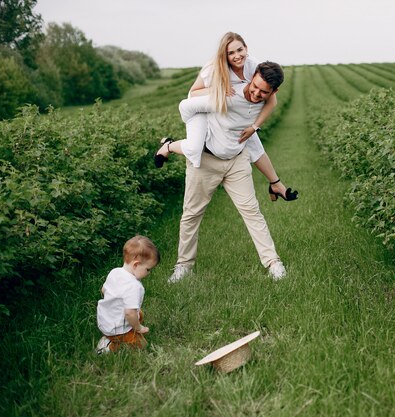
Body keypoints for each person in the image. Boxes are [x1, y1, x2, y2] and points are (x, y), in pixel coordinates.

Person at [168, 61, 288, 283]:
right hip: (206, 159)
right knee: (192, 213)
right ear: (251, 79)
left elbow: (256, 145)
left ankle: (273, 262)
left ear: (272, 92)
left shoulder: (265, 101)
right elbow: (190, 100)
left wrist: (275, 180)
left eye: (263, 92)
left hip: (236, 161)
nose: (256, 93)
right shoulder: (229, 93)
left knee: (252, 211)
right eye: (255, 87)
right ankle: (183, 265)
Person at [155, 32, 297, 202]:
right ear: (224, 55)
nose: (237, 56)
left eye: (240, 50)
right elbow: (193, 93)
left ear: (246, 48)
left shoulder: (254, 66)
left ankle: (275, 184)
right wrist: (219, 89)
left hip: (228, 107)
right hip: (202, 108)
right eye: (231, 53)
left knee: (251, 140)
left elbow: (271, 101)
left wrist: (254, 127)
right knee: (194, 148)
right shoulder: (214, 68)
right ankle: (169, 146)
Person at [95, 235, 160, 354]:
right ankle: (108, 346)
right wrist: (138, 328)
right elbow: (129, 313)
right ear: (136, 265)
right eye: (148, 269)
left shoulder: (115, 272)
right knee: (142, 345)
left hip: (104, 319)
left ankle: (109, 336)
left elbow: (103, 290)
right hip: (118, 329)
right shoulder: (133, 286)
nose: (149, 273)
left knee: (139, 313)